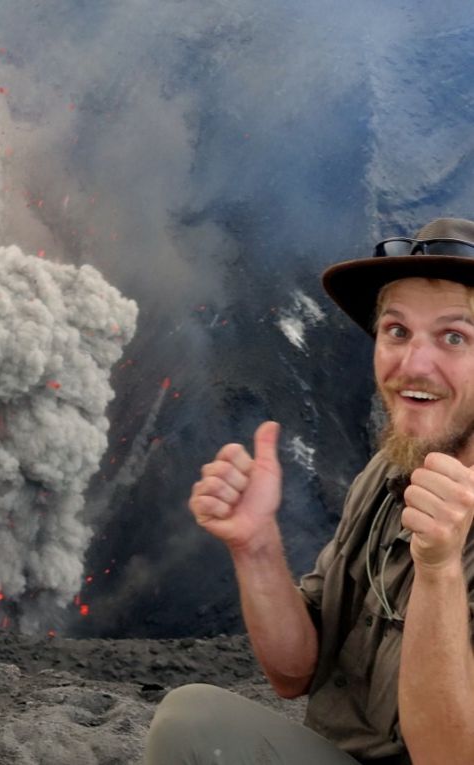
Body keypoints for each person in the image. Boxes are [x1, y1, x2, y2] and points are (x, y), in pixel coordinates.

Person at [144, 218, 474, 765]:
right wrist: (255, 546)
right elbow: (295, 673)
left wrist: (437, 570)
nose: (413, 365)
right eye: (396, 331)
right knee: (199, 724)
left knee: (193, 725)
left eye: (455, 337)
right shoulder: (385, 479)